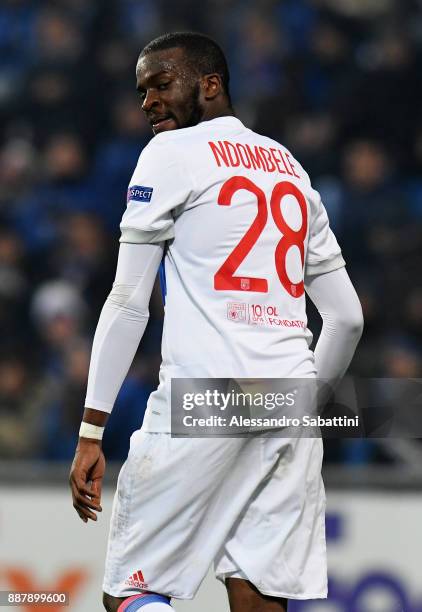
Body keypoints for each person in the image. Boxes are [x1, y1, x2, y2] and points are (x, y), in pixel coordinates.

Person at [69, 32, 363, 612]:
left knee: (133, 591)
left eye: (160, 84)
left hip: (204, 397)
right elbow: (347, 318)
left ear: (210, 84)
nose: (147, 102)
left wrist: (92, 431)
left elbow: (128, 301)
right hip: (287, 403)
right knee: (259, 596)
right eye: (141, 91)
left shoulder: (171, 154)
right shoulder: (293, 172)